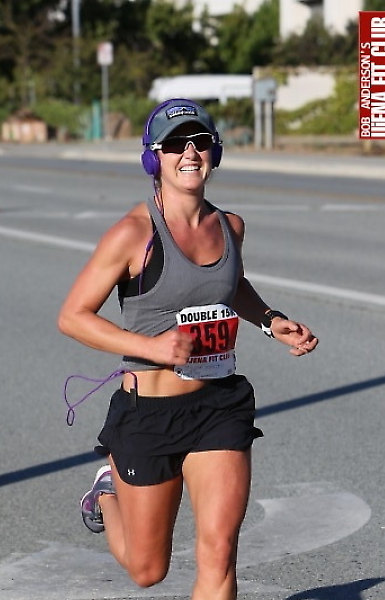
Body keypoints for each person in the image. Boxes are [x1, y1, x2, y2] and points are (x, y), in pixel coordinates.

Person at [58, 98, 318, 600]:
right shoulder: (133, 234)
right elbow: (72, 316)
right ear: (154, 158)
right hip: (148, 413)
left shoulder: (230, 226)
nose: (190, 152)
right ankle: (107, 491)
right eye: (176, 144)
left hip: (218, 404)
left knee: (219, 552)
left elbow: (229, 285)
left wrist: (270, 320)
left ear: (214, 152)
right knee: (147, 570)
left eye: (200, 141)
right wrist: (151, 348)